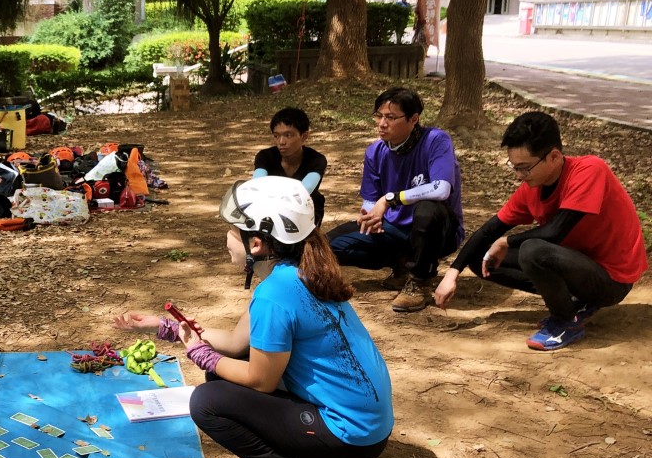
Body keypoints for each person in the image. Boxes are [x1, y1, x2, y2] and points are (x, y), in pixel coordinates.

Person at [115, 177, 393, 458]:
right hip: (364, 429)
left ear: (256, 243)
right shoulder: (298, 272)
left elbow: (260, 381)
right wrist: (165, 327)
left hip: (349, 437)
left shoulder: (274, 295)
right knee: (221, 374)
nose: (227, 238)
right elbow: (236, 343)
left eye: (233, 231)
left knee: (207, 401)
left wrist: (202, 355)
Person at [434, 111, 647, 350]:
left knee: (533, 250)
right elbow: (489, 230)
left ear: (554, 156)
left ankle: (566, 322)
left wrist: (507, 241)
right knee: (482, 257)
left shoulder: (589, 170)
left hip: (611, 280)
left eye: (525, 168)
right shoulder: (532, 188)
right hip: (577, 266)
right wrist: (453, 273)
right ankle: (574, 301)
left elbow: (555, 232)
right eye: (514, 167)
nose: (519, 176)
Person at [327, 86, 464, 312]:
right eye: (378, 116)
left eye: (390, 117)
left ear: (413, 119)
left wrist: (391, 199)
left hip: (438, 231)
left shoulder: (436, 140)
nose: (382, 123)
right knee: (328, 246)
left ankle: (420, 280)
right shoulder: (375, 151)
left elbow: (442, 189)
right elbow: (371, 200)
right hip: (395, 230)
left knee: (427, 209)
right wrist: (370, 216)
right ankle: (402, 263)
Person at [253, 106, 328, 227]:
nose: (281, 142)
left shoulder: (316, 160)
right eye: (276, 136)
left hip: (304, 215)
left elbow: (304, 191)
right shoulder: (265, 156)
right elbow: (257, 185)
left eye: (288, 135)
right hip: (269, 213)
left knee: (316, 199)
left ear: (304, 136)